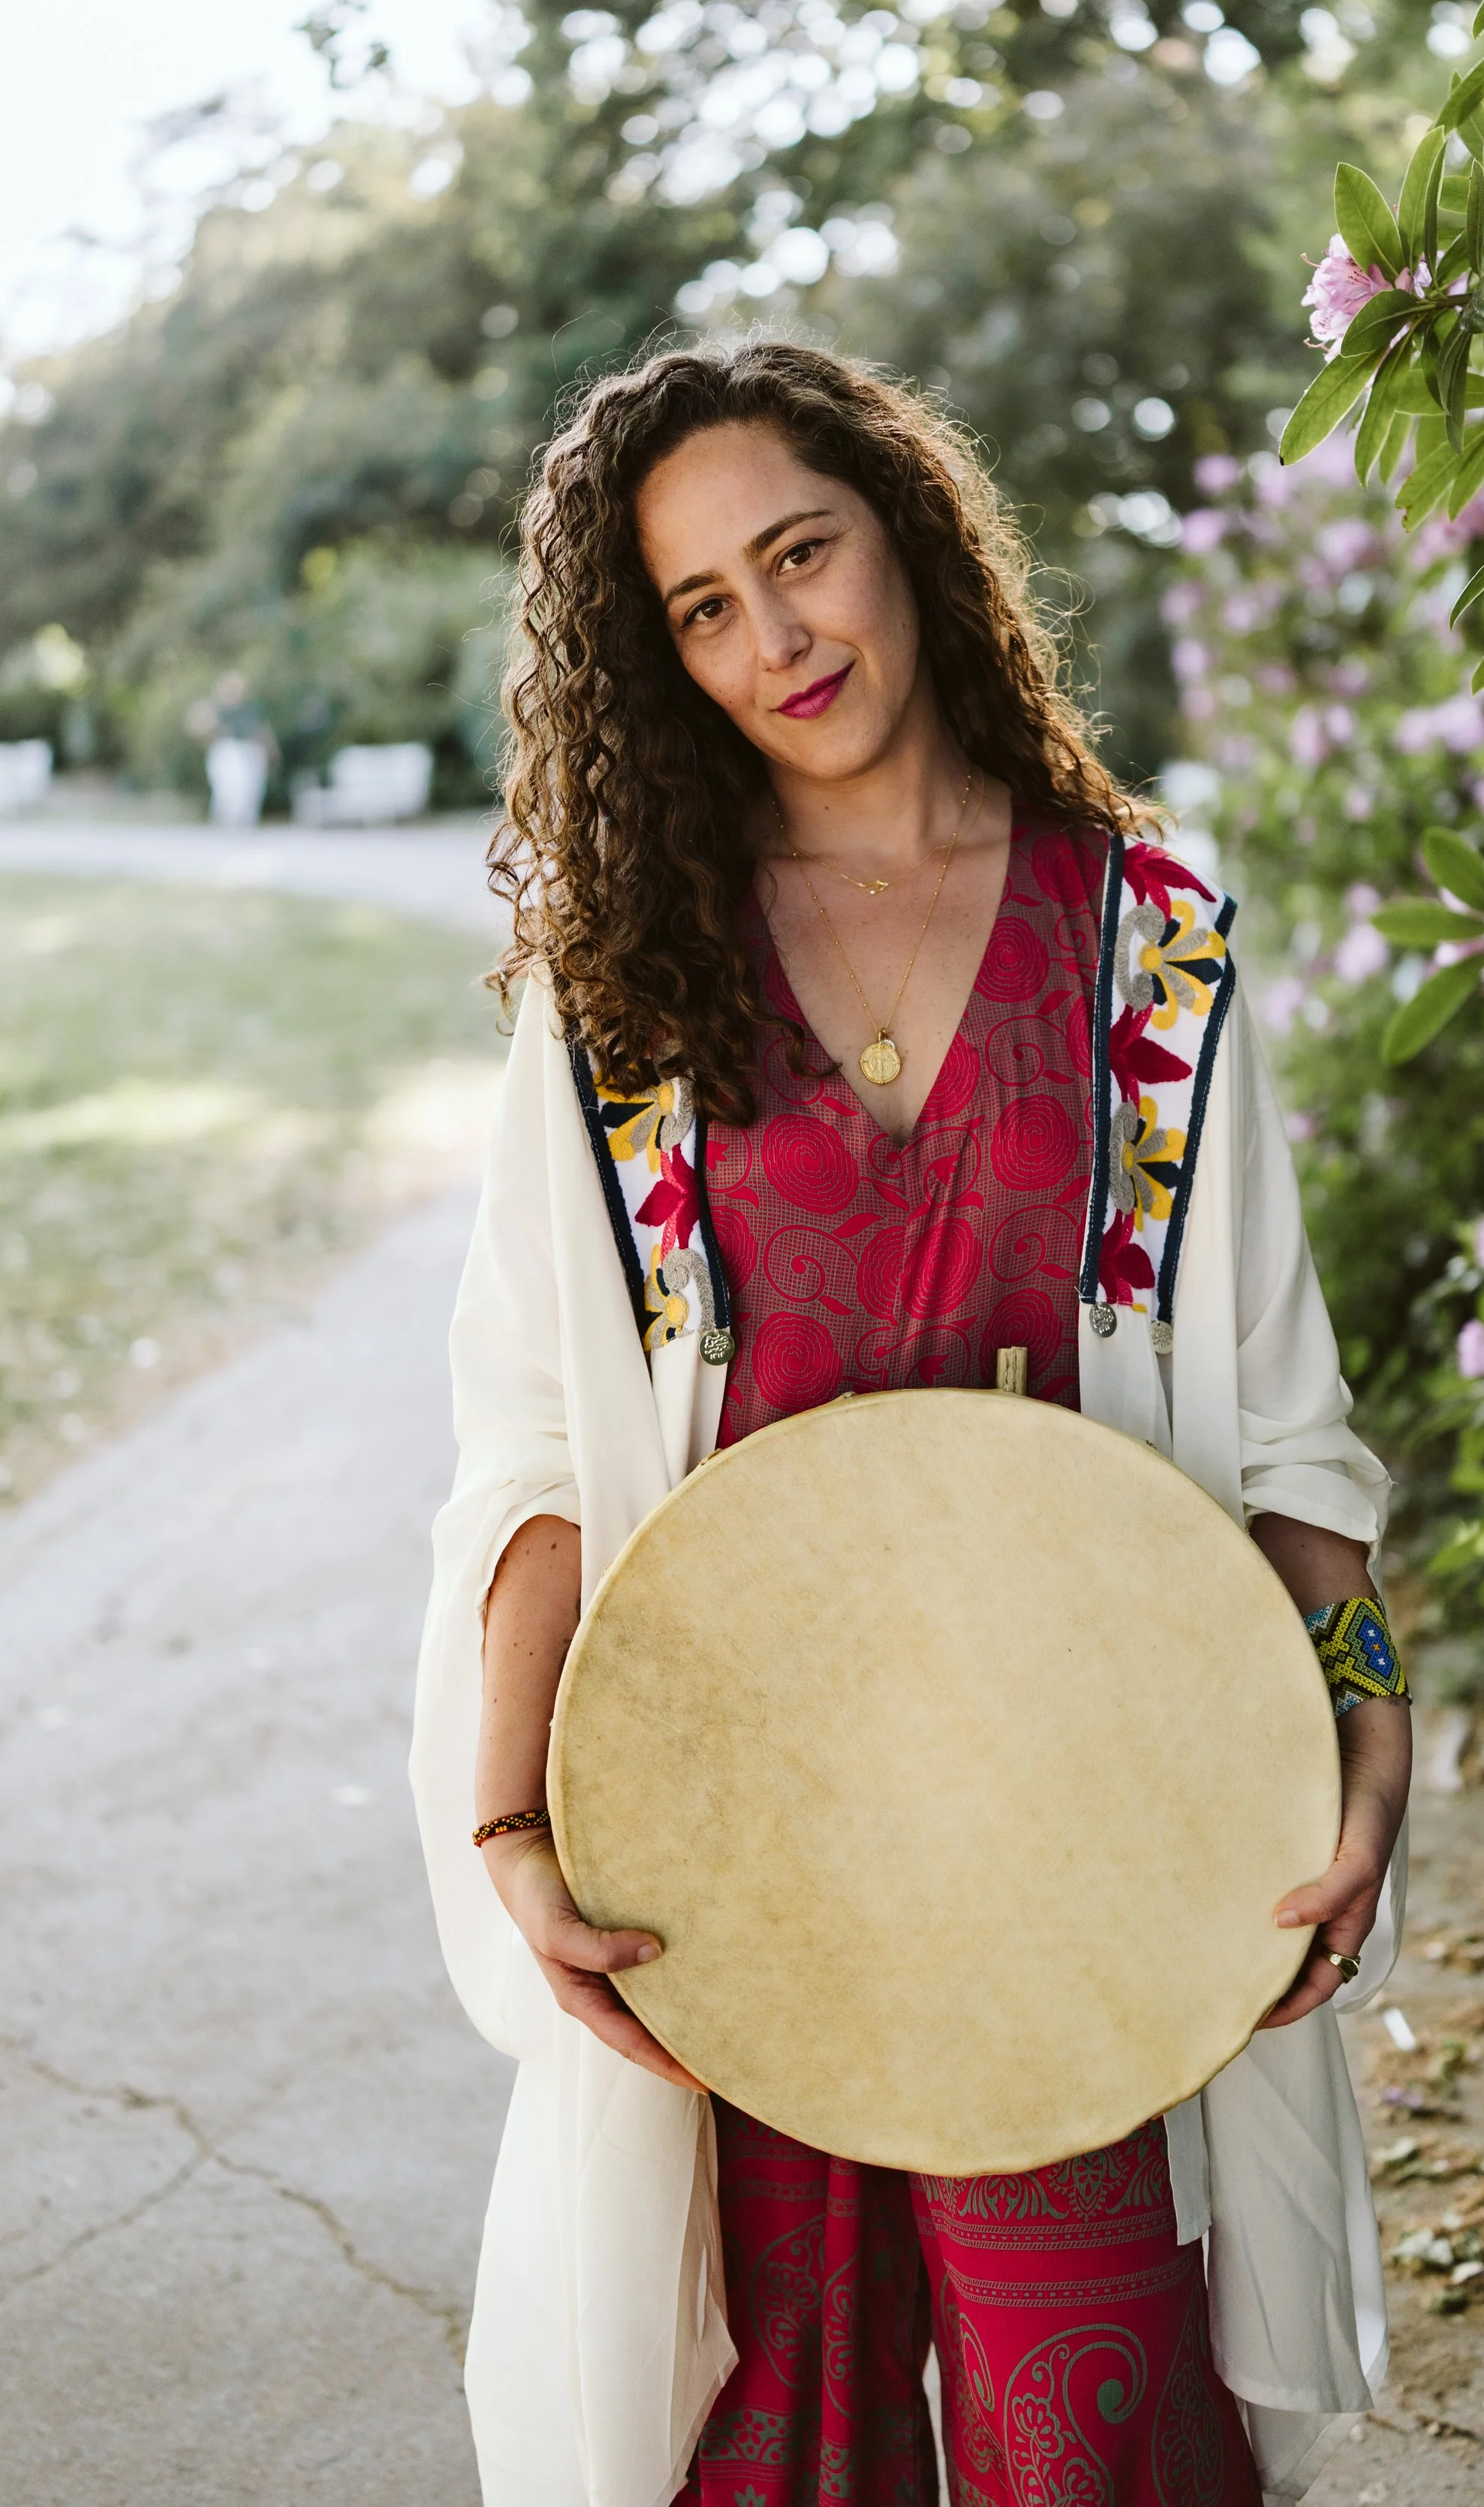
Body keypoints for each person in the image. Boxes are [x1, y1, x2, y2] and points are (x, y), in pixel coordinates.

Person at [411, 342, 1409, 2507]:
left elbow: (1283, 1424)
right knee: (761, 2436)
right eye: (700, 606)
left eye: (800, 554)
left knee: (1103, 2430)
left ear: (910, 538)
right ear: (652, 658)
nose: (775, 639)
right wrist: (514, 1829)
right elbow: (541, 1451)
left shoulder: (1149, 942)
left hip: (1073, 1821)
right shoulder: (621, 991)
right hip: (727, 1839)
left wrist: (1357, 1716)